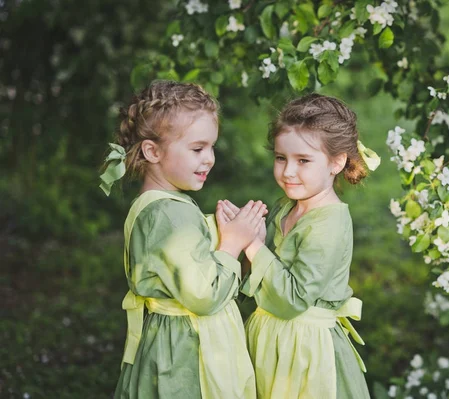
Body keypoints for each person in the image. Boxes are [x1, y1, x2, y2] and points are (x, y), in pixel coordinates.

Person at [100, 80, 262, 399]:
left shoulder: (157, 206)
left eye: (211, 147)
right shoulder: (170, 215)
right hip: (185, 358)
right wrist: (231, 243)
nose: (210, 158)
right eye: (197, 148)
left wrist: (238, 242)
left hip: (170, 344)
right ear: (153, 151)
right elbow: (203, 295)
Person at [222, 93, 380, 398]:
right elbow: (258, 276)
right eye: (281, 158)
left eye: (303, 160)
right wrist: (237, 237)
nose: (288, 171)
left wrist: (253, 244)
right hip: (269, 338)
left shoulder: (329, 223)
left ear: (337, 162)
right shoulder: (288, 207)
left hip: (306, 352)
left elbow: (293, 298)